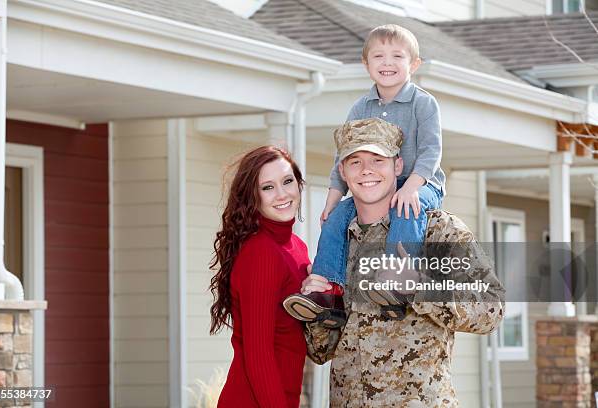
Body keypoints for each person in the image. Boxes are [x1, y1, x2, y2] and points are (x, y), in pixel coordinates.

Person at [288, 118, 505, 406]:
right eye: (355, 161)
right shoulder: (338, 242)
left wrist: (419, 287)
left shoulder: (436, 230)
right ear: (342, 171)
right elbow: (320, 352)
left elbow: (491, 309)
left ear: (398, 166)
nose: (367, 170)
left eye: (378, 159)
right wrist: (317, 314)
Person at [286, 24, 447, 325]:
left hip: (421, 183)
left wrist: (411, 187)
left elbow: (430, 152)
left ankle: (398, 282)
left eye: (397, 56)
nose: (387, 63)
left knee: (405, 208)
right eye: (378, 56)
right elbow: (343, 156)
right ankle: (326, 288)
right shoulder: (361, 107)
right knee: (335, 218)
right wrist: (333, 198)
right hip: (374, 187)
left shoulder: (423, 103)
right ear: (366, 64)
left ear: (414, 64)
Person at [209, 146, 310, 408]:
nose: (282, 194)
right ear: (252, 196)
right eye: (268, 187)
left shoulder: (297, 247)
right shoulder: (261, 253)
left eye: (287, 181)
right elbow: (258, 353)